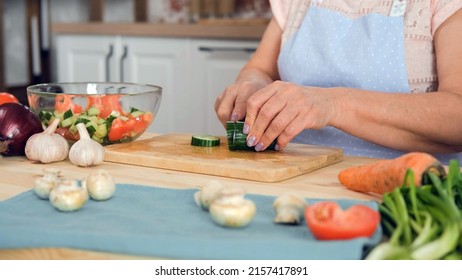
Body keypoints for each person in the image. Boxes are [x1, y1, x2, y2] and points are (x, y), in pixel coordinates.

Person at [214, 0, 462, 164]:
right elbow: (259, 69)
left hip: (406, 194)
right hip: (293, 183)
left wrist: (331, 105)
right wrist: (251, 85)